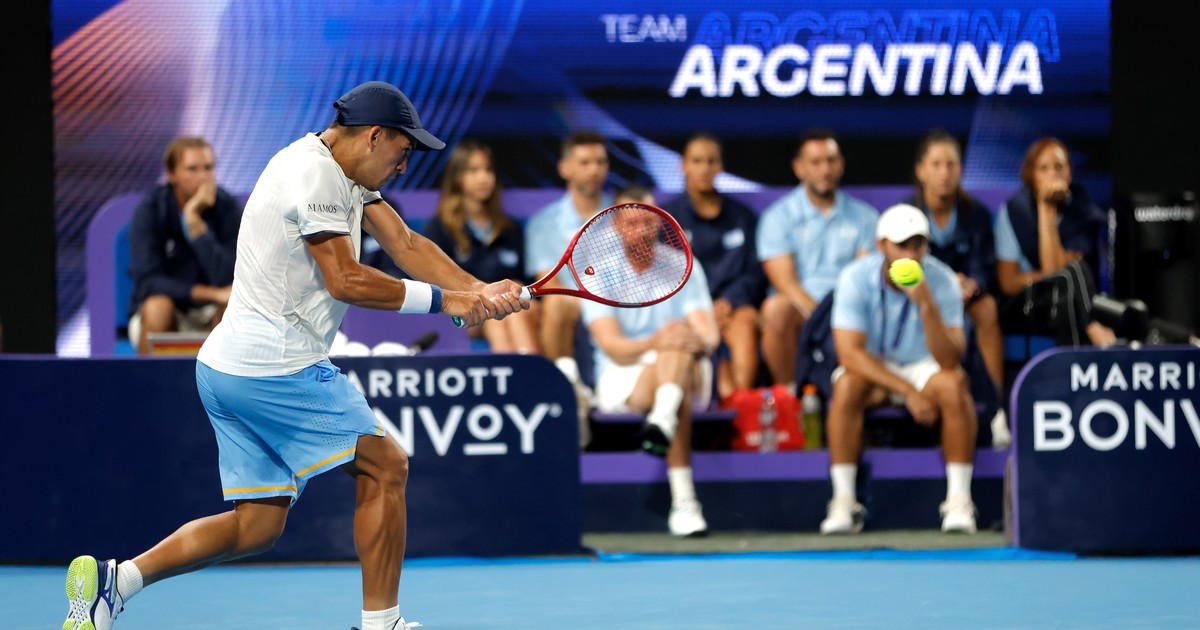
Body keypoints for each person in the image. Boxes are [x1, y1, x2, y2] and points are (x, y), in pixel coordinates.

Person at [63, 80, 528, 630]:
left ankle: (116, 583)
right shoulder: (313, 175)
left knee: (256, 526)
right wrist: (448, 301)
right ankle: (382, 625)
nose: (404, 166)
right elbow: (346, 279)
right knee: (386, 466)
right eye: (402, 151)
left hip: (224, 367)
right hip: (274, 367)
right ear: (374, 136)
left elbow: (405, 244)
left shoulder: (340, 169)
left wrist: (479, 290)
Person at [820, 204, 978, 535]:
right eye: (902, 245)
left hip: (924, 366)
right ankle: (844, 501)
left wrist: (926, 303)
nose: (910, 254)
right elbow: (850, 355)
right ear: (881, 246)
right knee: (846, 387)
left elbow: (950, 359)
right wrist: (907, 392)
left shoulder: (943, 280)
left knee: (954, 385)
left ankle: (959, 500)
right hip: (874, 367)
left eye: (918, 245)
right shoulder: (854, 278)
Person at [582, 185, 720, 536]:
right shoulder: (597, 271)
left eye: (648, 222)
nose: (641, 230)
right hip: (625, 371)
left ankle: (664, 415)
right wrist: (658, 341)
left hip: (685, 364)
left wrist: (688, 339)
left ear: (659, 223)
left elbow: (709, 336)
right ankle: (685, 501)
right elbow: (613, 347)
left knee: (677, 344)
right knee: (674, 367)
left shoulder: (683, 264)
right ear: (616, 226)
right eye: (632, 223)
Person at [900, 129, 1010, 447]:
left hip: (965, 298)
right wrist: (937, 287)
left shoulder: (977, 215)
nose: (944, 173)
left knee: (986, 309)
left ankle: (996, 410)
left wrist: (970, 285)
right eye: (936, 164)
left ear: (961, 170)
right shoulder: (904, 215)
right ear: (921, 171)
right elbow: (897, 264)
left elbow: (984, 269)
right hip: (918, 297)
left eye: (951, 165)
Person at [757, 129, 878, 393]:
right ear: (799, 168)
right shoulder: (778, 217)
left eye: (831, 161)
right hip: (802, 309)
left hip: (848, 308)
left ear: (841, 164)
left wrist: (842, 316)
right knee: (775, 308)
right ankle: (790, 395)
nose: (825, 169)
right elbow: (786, 284)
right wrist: (823, 319)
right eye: (816, 162)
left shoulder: (866, 217)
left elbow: (865, 279)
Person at [663, 132, 766, 403]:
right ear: (683, 165)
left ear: (720, 166)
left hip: (731, 308)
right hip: (688, 310)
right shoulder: (666, 219)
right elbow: (664, 274)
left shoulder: (743, 216)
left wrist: (728, 302)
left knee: (747, 320)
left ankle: (743, 404)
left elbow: (754, 271)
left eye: (711, 161)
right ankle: (722, 397)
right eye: (697, 161)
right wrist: (703, 308)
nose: (704, 168)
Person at [524, 130, 613, 444]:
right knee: (557, 303)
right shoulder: (543, 223)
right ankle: (568, 390)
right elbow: (550, 283)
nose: (594, 169)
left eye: (600, 162)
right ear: (565, 168)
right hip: (571, 304)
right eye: (585, 162)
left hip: (618, 306)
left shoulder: (625, 214)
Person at [993, 137, 1116, 347]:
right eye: (1043, 168)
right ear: (1031, 175)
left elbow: (1061, 275)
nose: (1053, 174)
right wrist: (1045, 207)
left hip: (1068, 298)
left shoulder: (1082, 208)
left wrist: (1040, 273)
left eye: (1059, 167)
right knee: (1072, 275)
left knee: (1072, 278)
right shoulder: (1014, 211)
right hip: (1026, 304)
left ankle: (1079, 359)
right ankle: (1097, 333)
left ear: (1070, 172)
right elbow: (1010, 282)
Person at [127, 136, 243, 354]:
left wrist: (194, 223)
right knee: (158, 306)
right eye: (192, 169)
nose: (203, 177)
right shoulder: (151, 210)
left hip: (213, 313)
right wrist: (211, 293)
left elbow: (227, 276)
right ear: (172, 175)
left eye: (208, 168)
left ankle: (221, 377)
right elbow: (148, 282)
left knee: (234, 307)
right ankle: (145, 376)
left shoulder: (229, 209)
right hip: (169, 311)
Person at [423, 140, 538, 354]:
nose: (483, 178)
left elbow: (524, 282)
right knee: (497, 317)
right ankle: (526, 370)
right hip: (463, 312)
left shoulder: (510, 230)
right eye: (473, 170)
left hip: (510, 310)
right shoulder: (439, 229)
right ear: (457, 177)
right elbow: (433, 282)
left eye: (488, 170)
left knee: (509, 315)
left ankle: (520, 369)